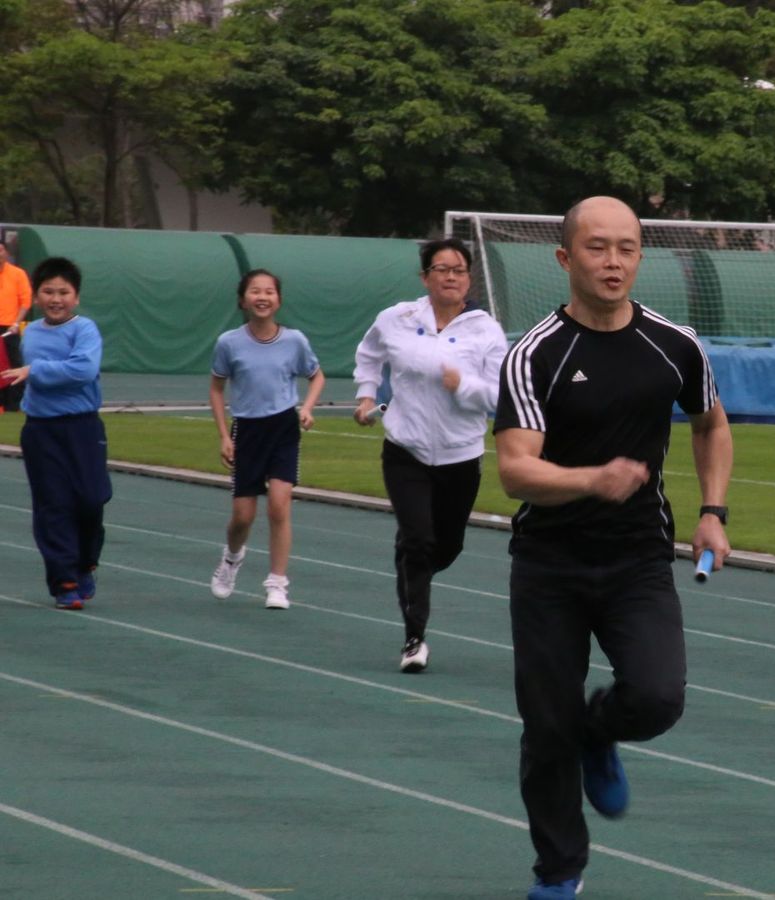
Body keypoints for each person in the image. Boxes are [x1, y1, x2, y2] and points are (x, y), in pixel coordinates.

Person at [494, 196, 733, 900]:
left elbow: (711, 426)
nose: (613, 261)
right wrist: (589, 480)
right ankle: (558, 872)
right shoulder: (535, 354)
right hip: (549, 565)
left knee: (657, 697)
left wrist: (713, 511)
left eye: (626, 248)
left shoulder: (675, 345)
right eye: (597, 247)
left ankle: (598, 733)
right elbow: (515, 471)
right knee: (546, 729)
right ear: (565, 257)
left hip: (638, 559)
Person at [352, 237, 508, 673]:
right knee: (418, 541)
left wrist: (464, 386)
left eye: (459, 270)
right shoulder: (397, 318)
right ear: (425, 277)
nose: (451, 277)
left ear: (469, 279)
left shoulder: (486, 330)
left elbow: (500, 396)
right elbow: (369, 355)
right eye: (442, 269)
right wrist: (366, 396)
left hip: (461, 456)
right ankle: (414, 639)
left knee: (447, 547)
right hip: (406, 449)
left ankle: (411, 561)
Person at [207, 269, 325, 610]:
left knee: (278, 504)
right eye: (255, 291)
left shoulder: (294, 341)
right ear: (243, 300)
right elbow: (216, 389)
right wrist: (223, 435)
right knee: (243, 516)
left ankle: (277, 583)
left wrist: (307, 407)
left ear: (279, 300)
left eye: (269, 292)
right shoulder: (229, 343)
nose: (262, 297)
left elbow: (316, 376)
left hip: (283, 428)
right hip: (247, 431)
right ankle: (232, 557)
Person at [1, 257, 112, 609]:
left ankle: (85, 562)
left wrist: (35, 370)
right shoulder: (31, 332)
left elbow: (83, 369)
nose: (56, 299)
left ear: (76, 297)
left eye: (63, 292)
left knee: (92, 499)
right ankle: (64, 581)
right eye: (48, 292)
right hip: (41, 430)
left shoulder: (85, 330)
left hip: (83, 427)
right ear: (36, 296)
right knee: (53, 505)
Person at [0, 241, 33, 411]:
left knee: (13, 365)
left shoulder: (18, 274)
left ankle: (13, 404)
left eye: (0, 250)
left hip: (9, 329)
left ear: (6, 253)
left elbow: (25, 301)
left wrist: (16, 323)